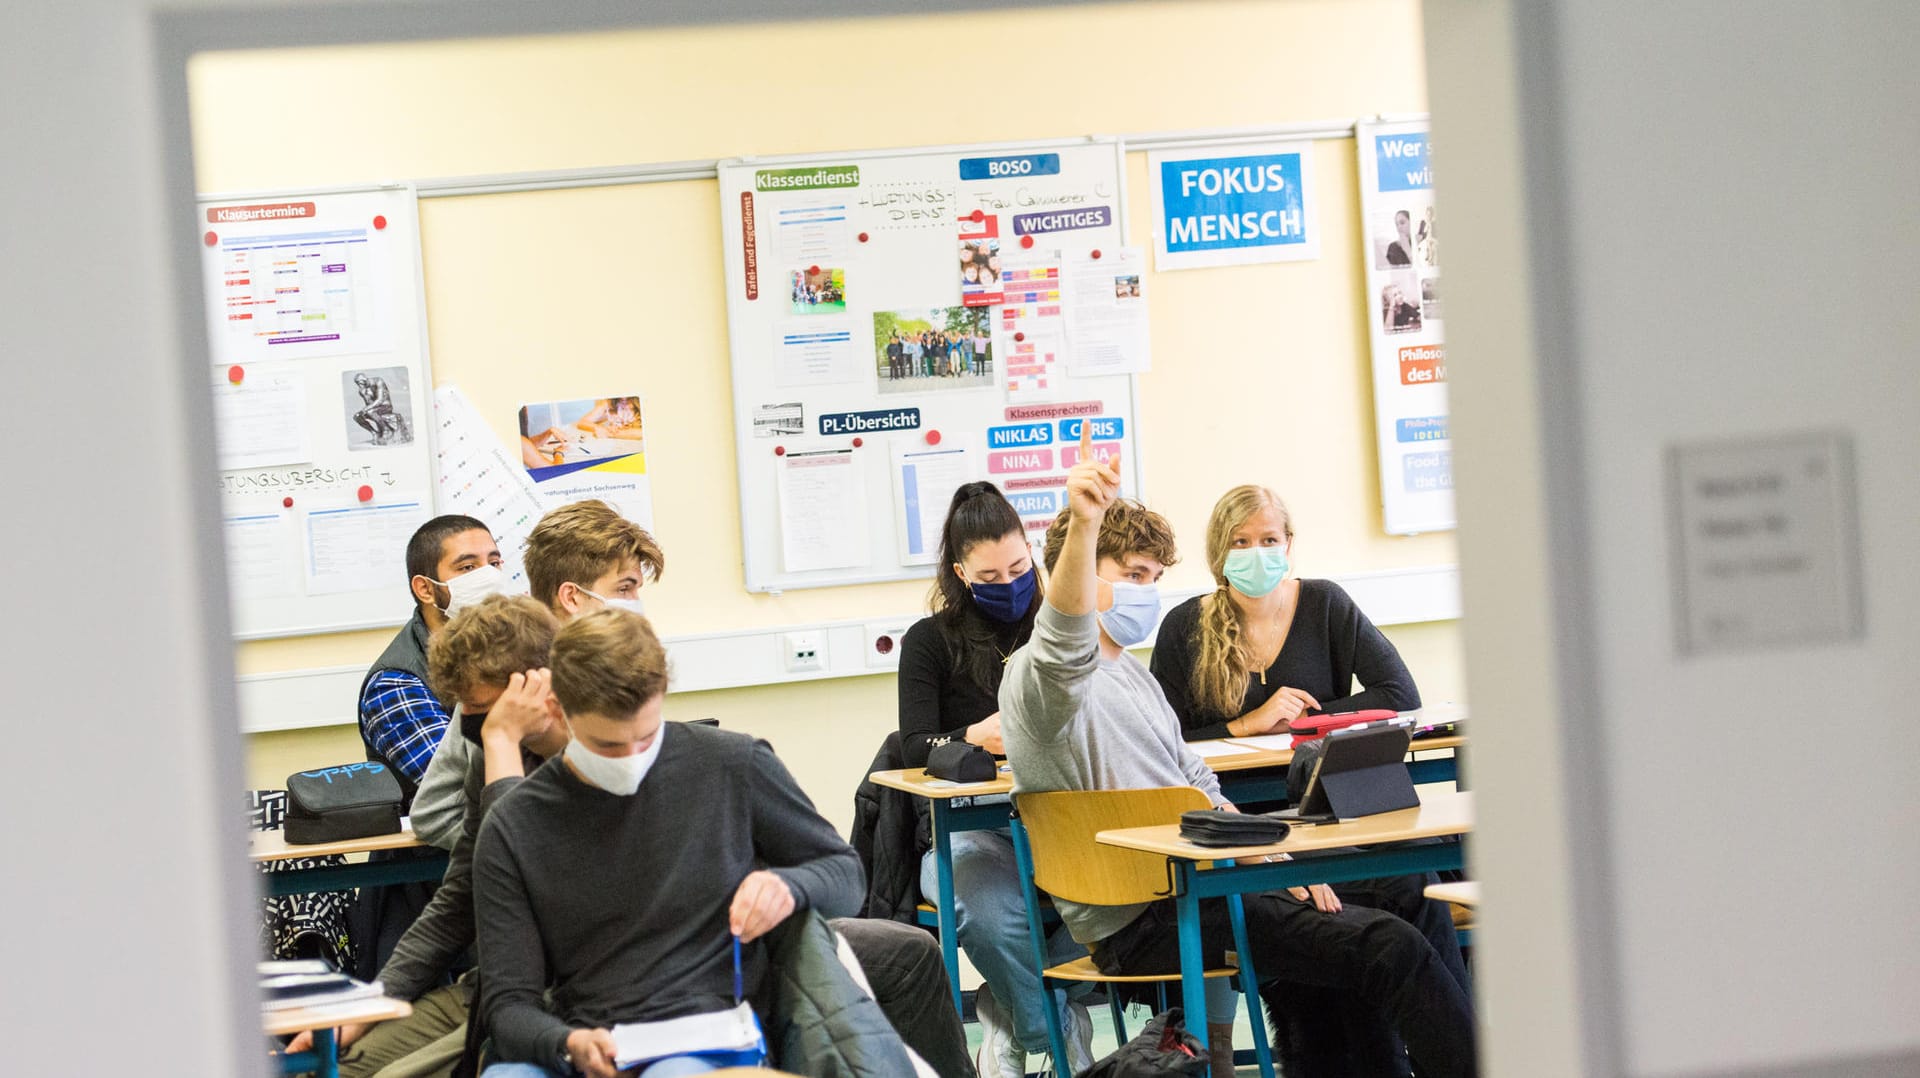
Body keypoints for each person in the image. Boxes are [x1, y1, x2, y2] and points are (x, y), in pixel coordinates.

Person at [998, 426, 1478, 1078]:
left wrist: (1271, 856)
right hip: (1151, 912)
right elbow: (1063, 641)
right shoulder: (1043, 678)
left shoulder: (1133, 678)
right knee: (1387, 946)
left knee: (1404, 890)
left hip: (1212, 881)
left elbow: (1196, 779)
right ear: (1074, 576)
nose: (1145, 590)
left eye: (1153, 577)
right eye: (1129, 575)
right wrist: (1085, 525)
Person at [1150, 486, 1470, 1068]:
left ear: (1289, 544)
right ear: (1218, 555)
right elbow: (1162, 736)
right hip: (1246, 827)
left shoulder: (1325, 604)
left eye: (1269, 540)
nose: (1256, 554)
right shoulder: (1184, 627)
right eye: (1240, 543)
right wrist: (1244, 723)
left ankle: (1460, 1054)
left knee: (1417, 880)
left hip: (1330, 811)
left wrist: (1308, 718)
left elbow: (1400, 695)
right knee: (1356, 937)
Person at [472, 609, 867, 1077]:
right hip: (587, 1041)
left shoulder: (732, 764)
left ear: (661, 695)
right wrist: (567, 1042)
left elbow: (846, 874)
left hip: (710, 1036)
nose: (633, 758)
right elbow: (508, 1005)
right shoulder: (514, 823)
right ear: (558, 710)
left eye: (646, 736)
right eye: (609, 746)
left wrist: (790, 886)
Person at [293, 594, 568, 1078]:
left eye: (481, 709)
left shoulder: (595, 761)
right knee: (336, 1066)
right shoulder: (491, 756)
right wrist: (374, 999)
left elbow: (517, 864)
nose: (474, 725)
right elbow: (458, 899)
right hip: (483, 987)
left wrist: (501, 741)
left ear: (536, 686)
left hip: (555, 1002)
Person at [895, 483, 1095, 1078]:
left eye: (1018, 566)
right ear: (960, 572)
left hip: (1064, 819)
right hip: (970, 831)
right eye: (990, 575)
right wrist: (973, 737)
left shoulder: (1061, 625)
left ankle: (1007, 1010)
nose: (1010, 583)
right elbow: (912, 747)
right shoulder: (930, 640)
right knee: (981, 904)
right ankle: (1053, 1026)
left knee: (1145, 883)